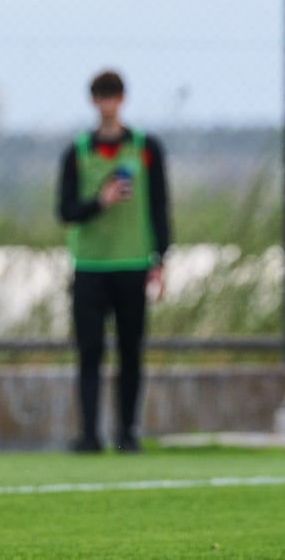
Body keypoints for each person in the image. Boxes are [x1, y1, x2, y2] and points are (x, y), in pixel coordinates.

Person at [56, 70, 170, 454]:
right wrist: (99, 202)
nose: (108, 102)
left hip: (133, 263)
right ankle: (89, 434)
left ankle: (128, 433)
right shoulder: (78, 150)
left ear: (123, 99)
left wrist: (161, 259)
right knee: (89, 353)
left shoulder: (145, 147)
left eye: (114, 95)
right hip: (89, 266)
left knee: (131, 353)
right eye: (102, 95)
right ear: (93, 101)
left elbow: (159, 206)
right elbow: (65, 210)